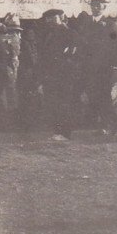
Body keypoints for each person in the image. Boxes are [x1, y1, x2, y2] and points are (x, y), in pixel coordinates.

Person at [76, 0, 117, 134]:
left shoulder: (110, 25)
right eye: (93, 5)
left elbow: (116, 47)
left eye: (98, 5)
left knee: (104, 96)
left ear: (104, 7)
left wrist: (116, 66)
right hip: (88, 67)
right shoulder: (85, 24)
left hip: (104, 68)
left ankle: (110, 124)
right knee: (93, 95)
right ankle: (102, 123)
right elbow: (81, 45)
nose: (95, 8)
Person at [38, 8, 78, 140]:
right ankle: (57, 131)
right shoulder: (49, 34)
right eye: (48, 19)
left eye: (53, 18)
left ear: (61, 18)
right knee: (53, 103)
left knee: (64, 103)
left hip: (64, 75)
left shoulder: (69, 33)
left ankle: (65, 133)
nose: (50, 21)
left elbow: (71, 54)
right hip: (51, 75)